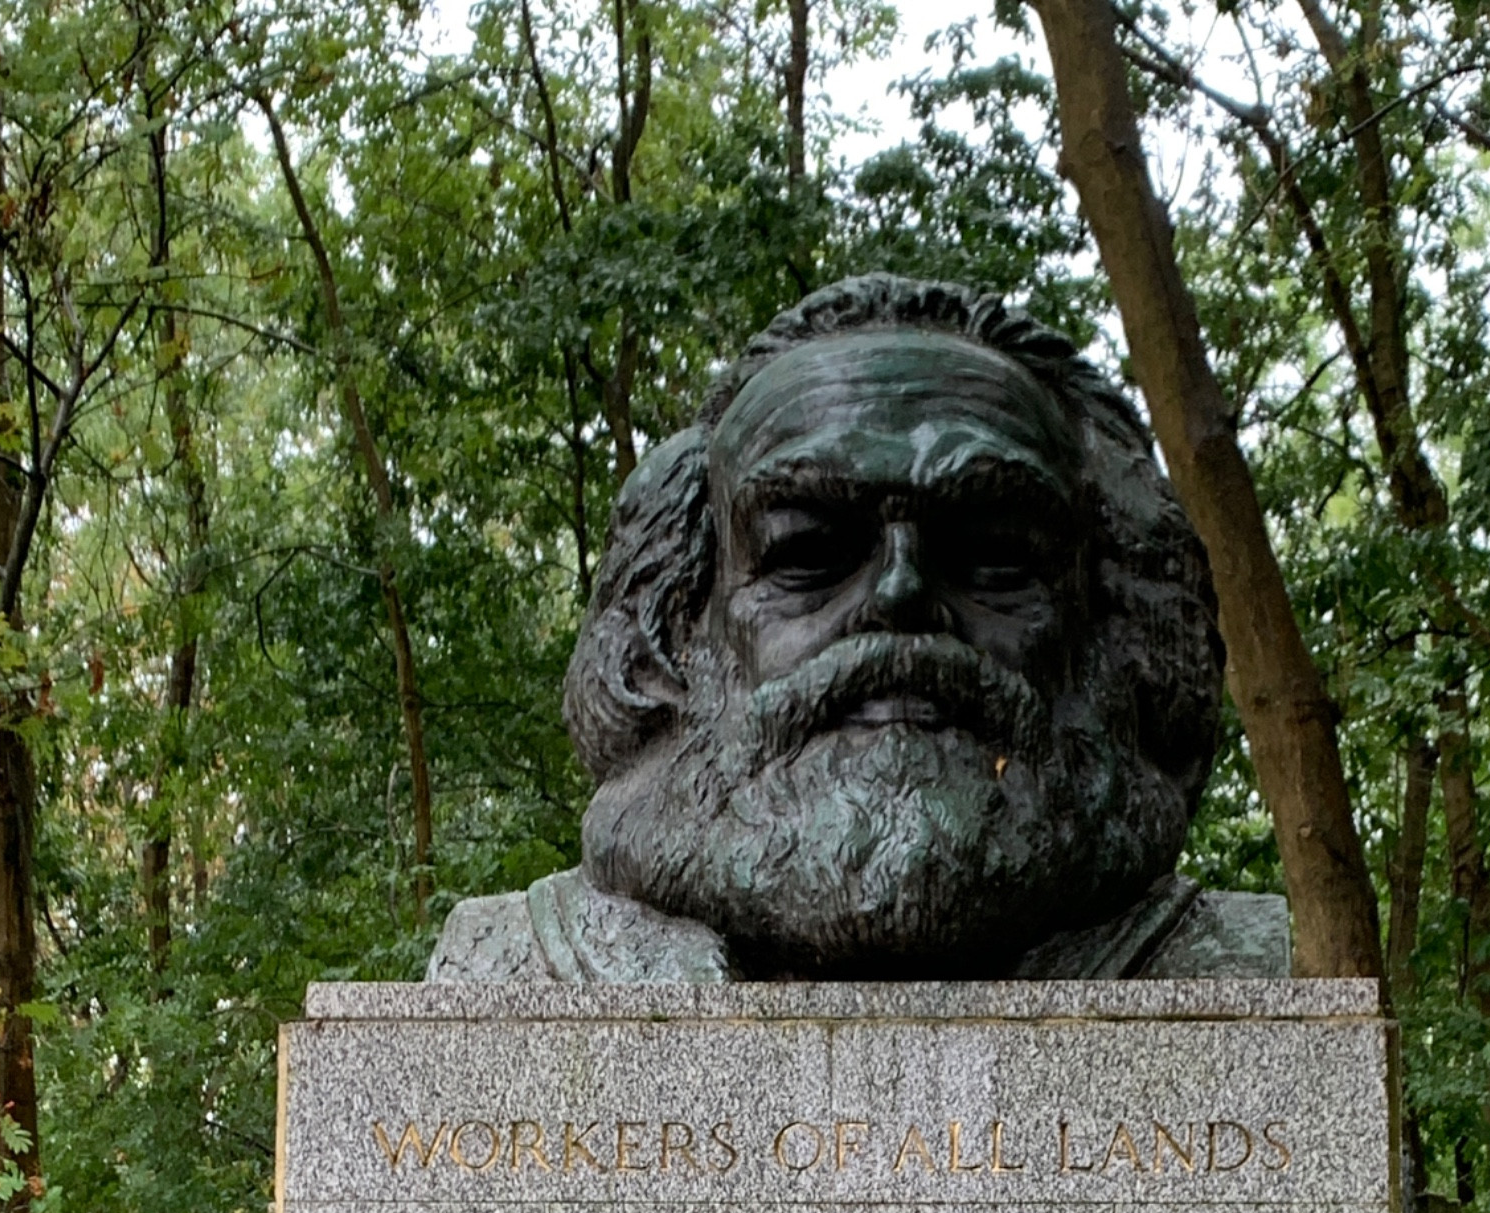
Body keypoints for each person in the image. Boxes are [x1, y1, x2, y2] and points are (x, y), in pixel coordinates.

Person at [429, 275, 1287, 985]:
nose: (901, 592)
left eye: (992, 555)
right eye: (808, 553)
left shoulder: (1251, 971)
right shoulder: (507, 968)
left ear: (1113, 624)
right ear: (673, 637)